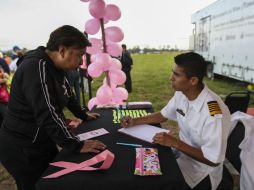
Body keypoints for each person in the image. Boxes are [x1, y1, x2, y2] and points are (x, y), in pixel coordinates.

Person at [0, 25, 106, 190]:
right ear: (63, 50)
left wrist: (83, 114)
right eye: (79, 55)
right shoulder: (36, 67)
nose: (80, 62)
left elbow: (68, 95)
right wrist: (75, 144)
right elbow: (47, 112)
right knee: (36, 185)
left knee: (53, 180)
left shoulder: (55, 67)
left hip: (41, 140)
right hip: (22, 146)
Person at [121, 52, 231, 190]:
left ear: (193, 80)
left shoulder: (214, 113)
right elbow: (163, 115)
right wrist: (135, 121)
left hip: (202, 172)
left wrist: (175, 143)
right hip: (181, 156)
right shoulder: (182, 93)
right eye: (172, 72)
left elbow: (213, 160)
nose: (170, 78)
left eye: (176, 75)